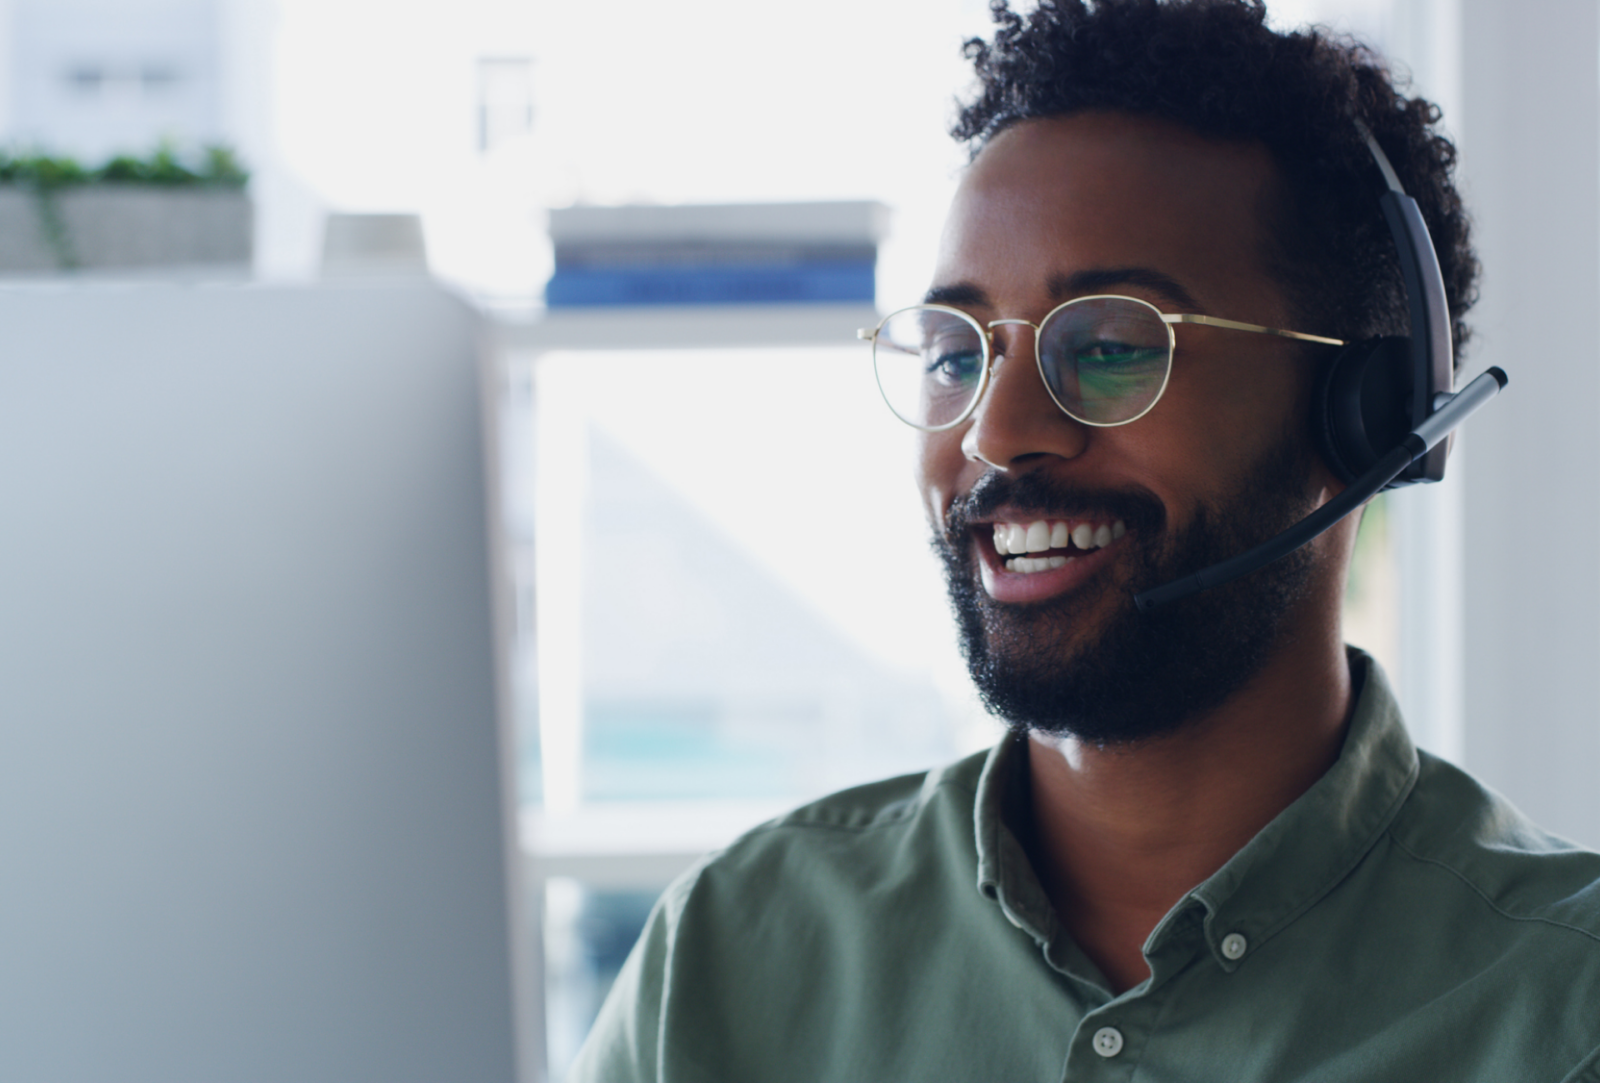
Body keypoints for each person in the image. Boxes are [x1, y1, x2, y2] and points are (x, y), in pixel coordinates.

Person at [571, 1, 1600, 1079]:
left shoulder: (1561, 1011)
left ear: (1366, 414)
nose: (996, 433)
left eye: (1109, 347)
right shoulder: (732, 955)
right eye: (960, 356)